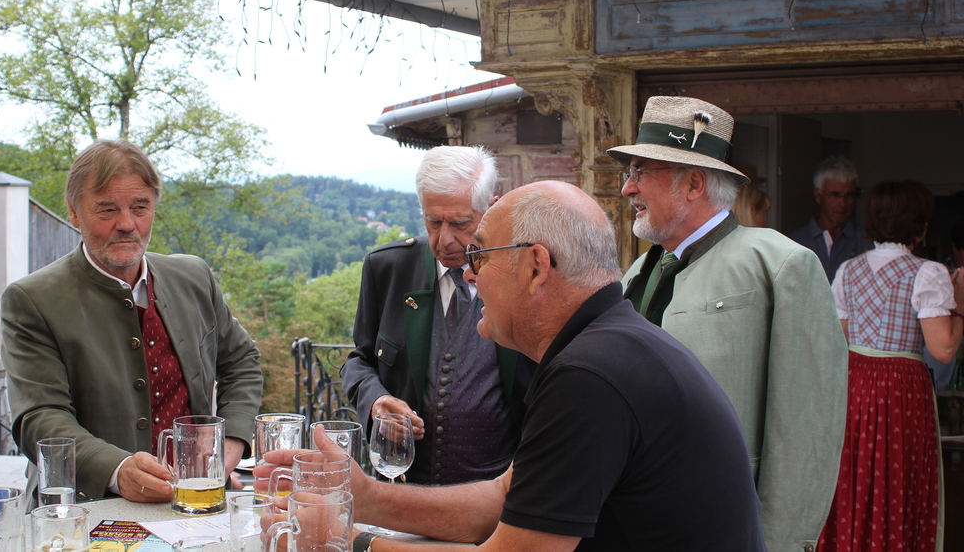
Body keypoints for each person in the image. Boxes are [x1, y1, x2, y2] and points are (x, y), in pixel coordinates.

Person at [260, 180, 765, 551]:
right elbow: (504, 498)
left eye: (479, 255)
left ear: (535, 266)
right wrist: (365, 496)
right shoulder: (605, 345)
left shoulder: (591, 375)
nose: (469, 275)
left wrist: (347, 541)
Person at [608, 95, 848, 552]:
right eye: (629, 173)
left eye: (640, 172)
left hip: (726, 529)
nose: (627, 189)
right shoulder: (638, 272)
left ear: (694, 183)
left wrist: (780, 543)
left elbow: (806, 429)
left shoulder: (782, 264)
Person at [1, 139, 263, 502]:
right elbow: (40, 417)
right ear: (74, 213)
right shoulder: (32, 300)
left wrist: (231, 441)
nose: (127, 224)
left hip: (196, 499)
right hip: (81, 510)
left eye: (140, 207)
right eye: (107, 210)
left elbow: (241, 360)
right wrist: (116, 469)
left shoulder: (194, 277)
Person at [341, 146, 532, 485]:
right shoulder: (387, 268)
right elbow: (359, 360)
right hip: (403, 489)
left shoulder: (524, 273)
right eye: (433, 221)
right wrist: (377, 400)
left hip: (501, 493)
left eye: (460, 223)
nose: (444, 240)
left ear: (492, 208)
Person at [818, 180, 964, 552]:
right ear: (920, 225)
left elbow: (839, 342)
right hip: (900, 390)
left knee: (855, 479)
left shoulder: (848, 270)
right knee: (897, 481)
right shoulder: (927, 272)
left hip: (854, 385)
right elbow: (943, 349)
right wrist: (960, 306)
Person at [788, 156, 872, 282]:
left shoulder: (867, 240)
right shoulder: (794, 243)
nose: (842, 203)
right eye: (835, 195)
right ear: (818, 195)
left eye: (849, 195)